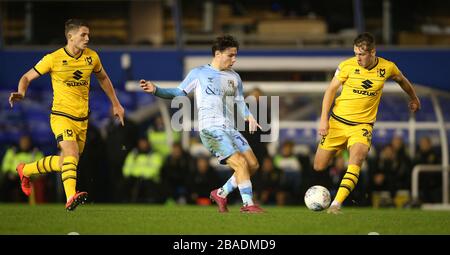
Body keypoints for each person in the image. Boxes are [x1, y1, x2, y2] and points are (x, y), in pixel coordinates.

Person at [8, 19, 125, 211]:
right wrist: (21, 92)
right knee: (70, 154)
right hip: (61, 116)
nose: (88, 38)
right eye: (83, 35)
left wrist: (116, 104)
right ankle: (71, 197)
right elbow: (27, 77)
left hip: (82, 120)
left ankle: (25, 169)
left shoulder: (92, 57)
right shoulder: (53, 58)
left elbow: (103, 78)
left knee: (66, 163)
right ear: (70, 37)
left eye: (88, 34)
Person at [140, 35, 264, 213]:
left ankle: (221, 193)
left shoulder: (235, 77)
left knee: (253, 164)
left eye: (236, 55)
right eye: (231, 55)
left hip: (230, 129)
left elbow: (239, 101)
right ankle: (248, 204)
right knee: (240, 163)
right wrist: (156, 90)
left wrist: (249, 116)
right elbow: (178, 92)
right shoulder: (198, 73)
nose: (234, 59)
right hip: (211, 129)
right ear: (218, 53)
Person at [313, 32, 421, 214]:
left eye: (362, 54)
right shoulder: (346, 66)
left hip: (362, 126)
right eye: (356, 53)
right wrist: (324, 119)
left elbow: (402, 80)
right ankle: (340, 151)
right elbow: (330, 90)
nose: (358, 58)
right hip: (338, 123)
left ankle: (336, 204)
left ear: (373, 52)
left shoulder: (387, 67)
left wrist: (414, 98)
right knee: (319, 165)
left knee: (358, 157)